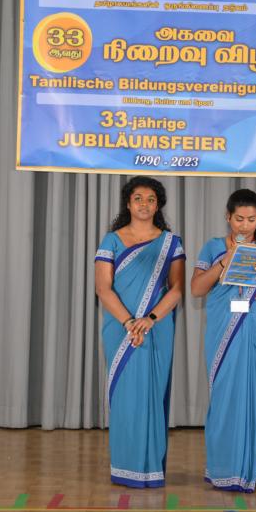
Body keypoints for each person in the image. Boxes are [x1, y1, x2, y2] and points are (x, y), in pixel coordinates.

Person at [190, 189, 256, 492]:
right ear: (228, 217)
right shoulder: (213, 247)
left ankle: (251, 471)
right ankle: (223, 469)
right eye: (239, 219)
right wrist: (223, 263)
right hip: (224, 326)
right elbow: (196, 289)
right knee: (224, 396)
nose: (244, 225)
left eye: (251, 219)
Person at [94, 176, 185, 488]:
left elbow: (176, 289)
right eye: (138, 198)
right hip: (121, 328)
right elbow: (103, 289)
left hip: (156, 328)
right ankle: (126, 467)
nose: (144, 204)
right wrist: (129, 322)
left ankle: (151, 469)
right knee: (126, 396)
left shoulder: (171, 243)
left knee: (152, 394)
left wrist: (151, 318)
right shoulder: (111, 240)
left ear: (158, 205)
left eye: (150, 199)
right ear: (128, 203)